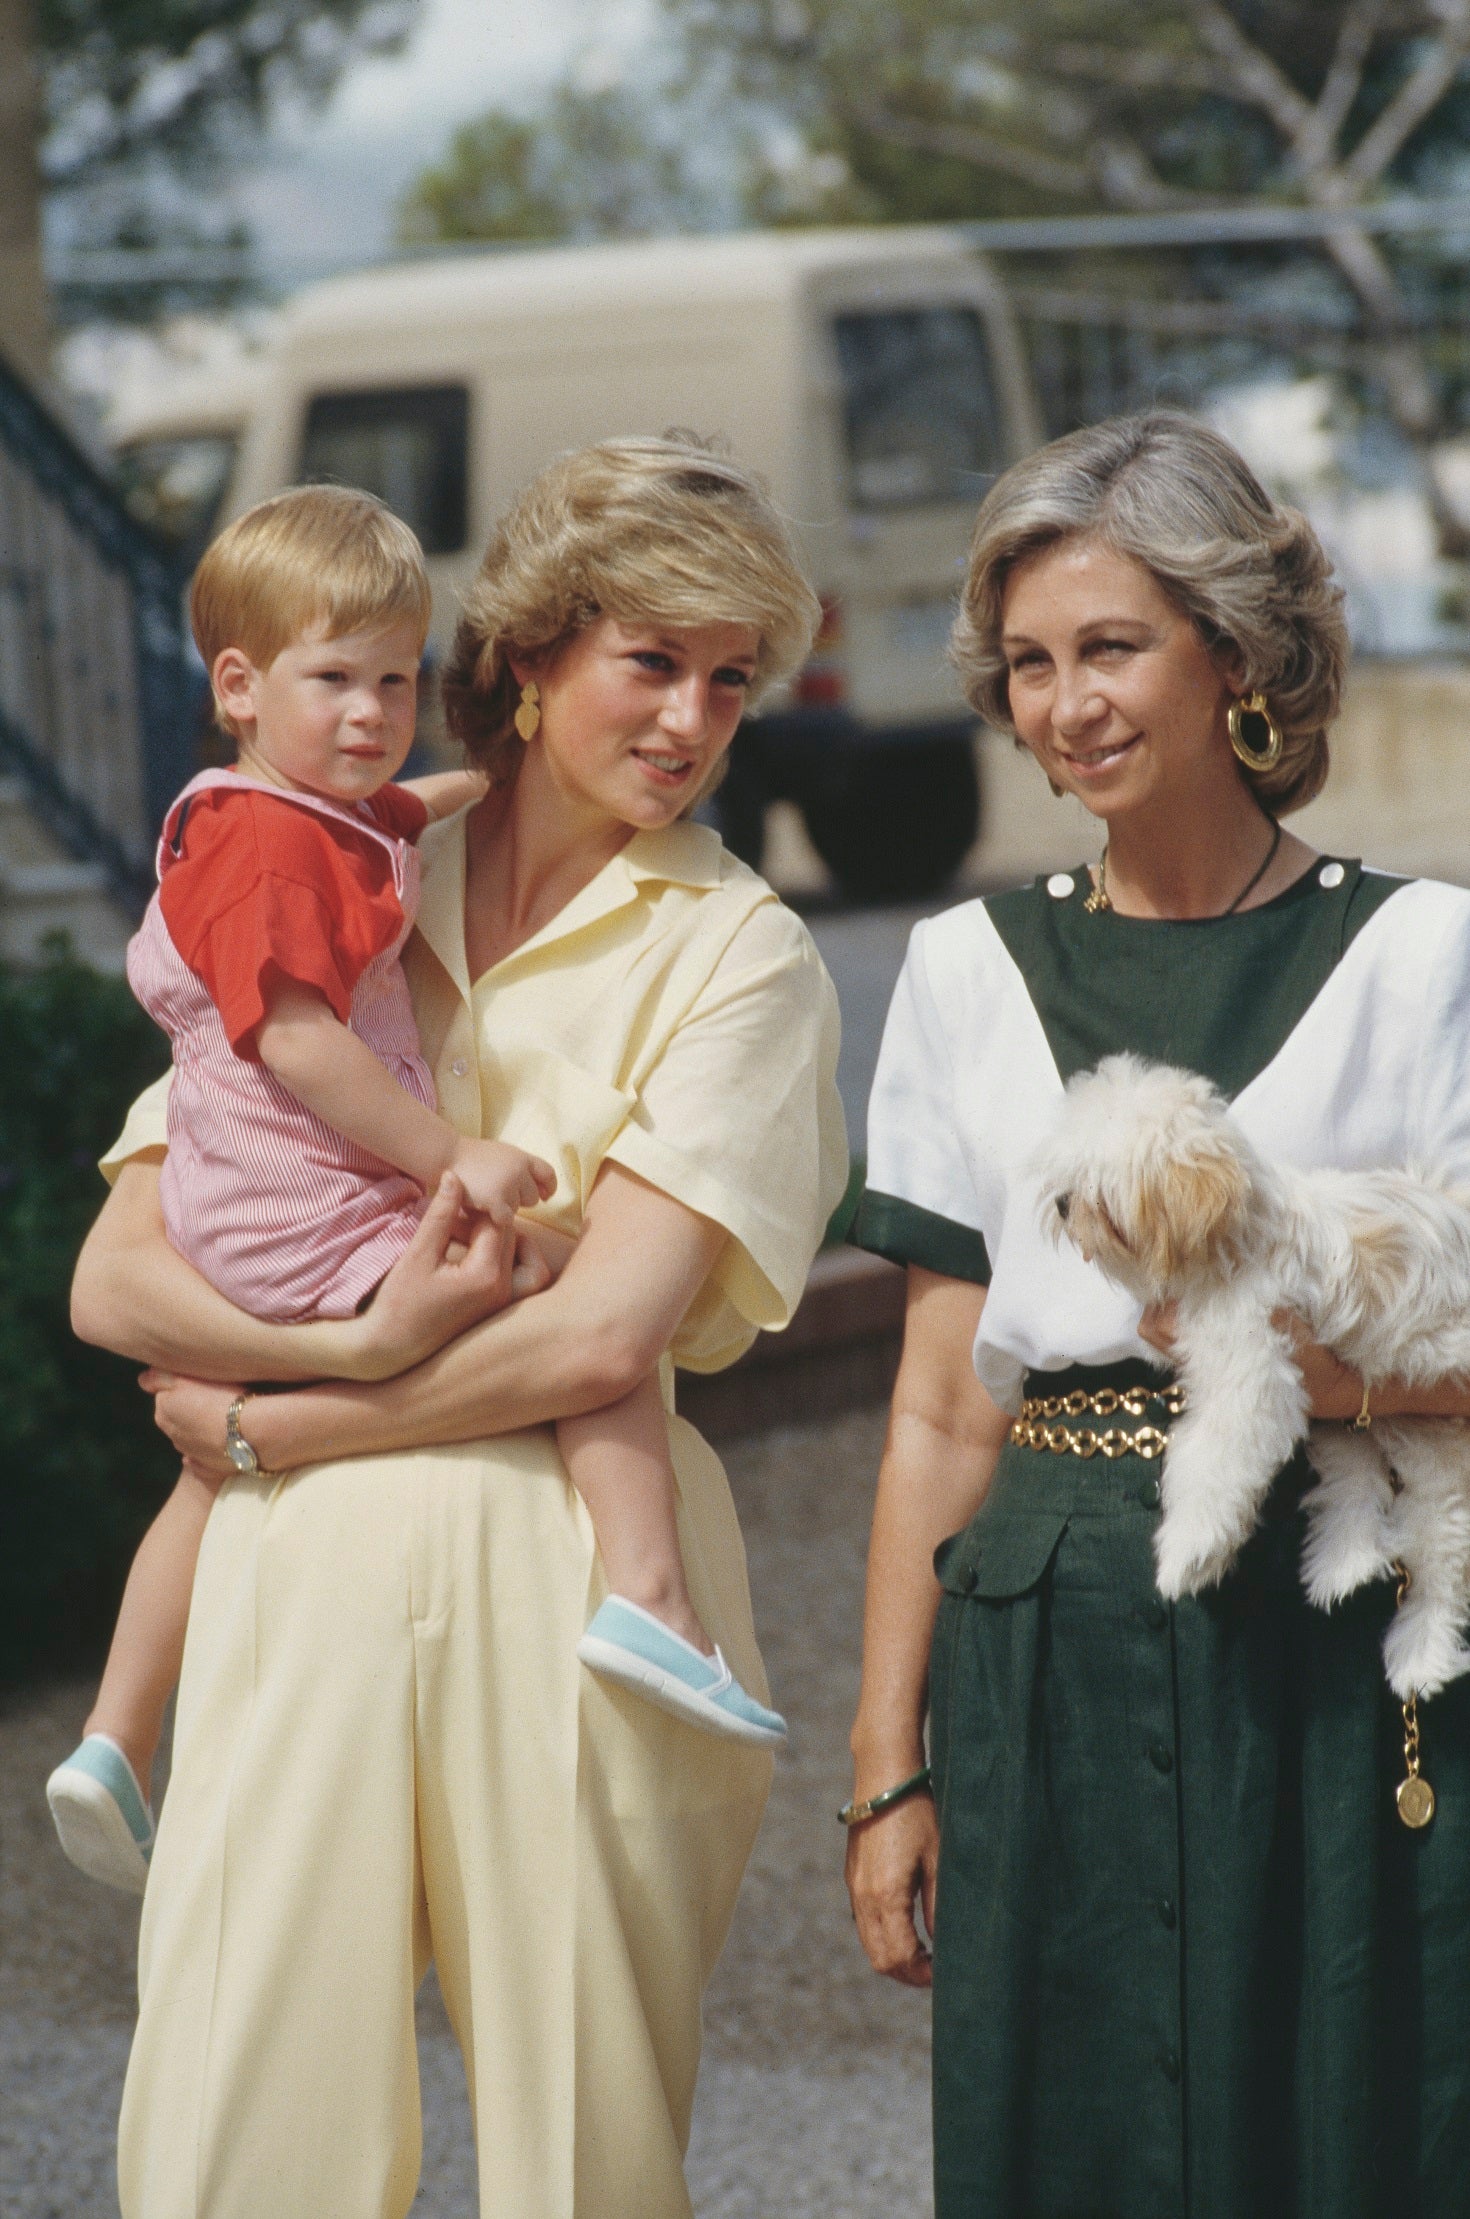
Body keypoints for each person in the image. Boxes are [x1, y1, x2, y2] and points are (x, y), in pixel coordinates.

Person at [70, 434, 847, 2219]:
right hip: (297, 1581)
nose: (690, 723)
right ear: (530, 653)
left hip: (578, 1591)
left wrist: (277, 1419)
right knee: (229, 2135)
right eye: (650, 662)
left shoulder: (741, 956)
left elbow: (601, 1345)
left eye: (731, 683)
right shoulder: (316, 861)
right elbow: (116, 1280)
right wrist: (342, 1361)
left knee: (579, 2151)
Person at [843, 411, 1470, 2217]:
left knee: (1355, 2113)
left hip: (1332, 1628)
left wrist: (1327, 1383)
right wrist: (887, 1769)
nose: (1065, 705)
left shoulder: (1428, 958)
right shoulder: (961, 973)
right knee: (1081, 2138)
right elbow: (936, 1412)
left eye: (1110, 646)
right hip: (1046, 1630)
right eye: (1027, 664)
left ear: (1237, 653)